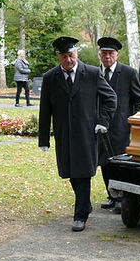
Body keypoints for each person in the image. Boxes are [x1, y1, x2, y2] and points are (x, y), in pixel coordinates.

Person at [38, 36, 117, 232]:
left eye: (71, 56)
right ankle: (85, 205)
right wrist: (43, 139)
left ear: (77, 53)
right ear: (58, 57)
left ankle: (80, 215)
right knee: (71, 173)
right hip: (64, 134)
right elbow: (45, 109)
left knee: (83, 174)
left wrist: (102, 121)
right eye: (64, 57)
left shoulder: (91, 73)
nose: (68, 60)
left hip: (86, 133)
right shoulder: (50, 78)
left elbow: (110, 98)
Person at [96, 36, 140, 212]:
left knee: (120, 163)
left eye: (111, 54)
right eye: (104, 54)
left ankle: (122, 198)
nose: (107, 57)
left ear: (117, 55)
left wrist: (135, 122)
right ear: (100, 55)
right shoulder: (95, 73)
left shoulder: (128, 73)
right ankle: (111, 195)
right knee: (104, 162)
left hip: (121, 127)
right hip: (100, 126)